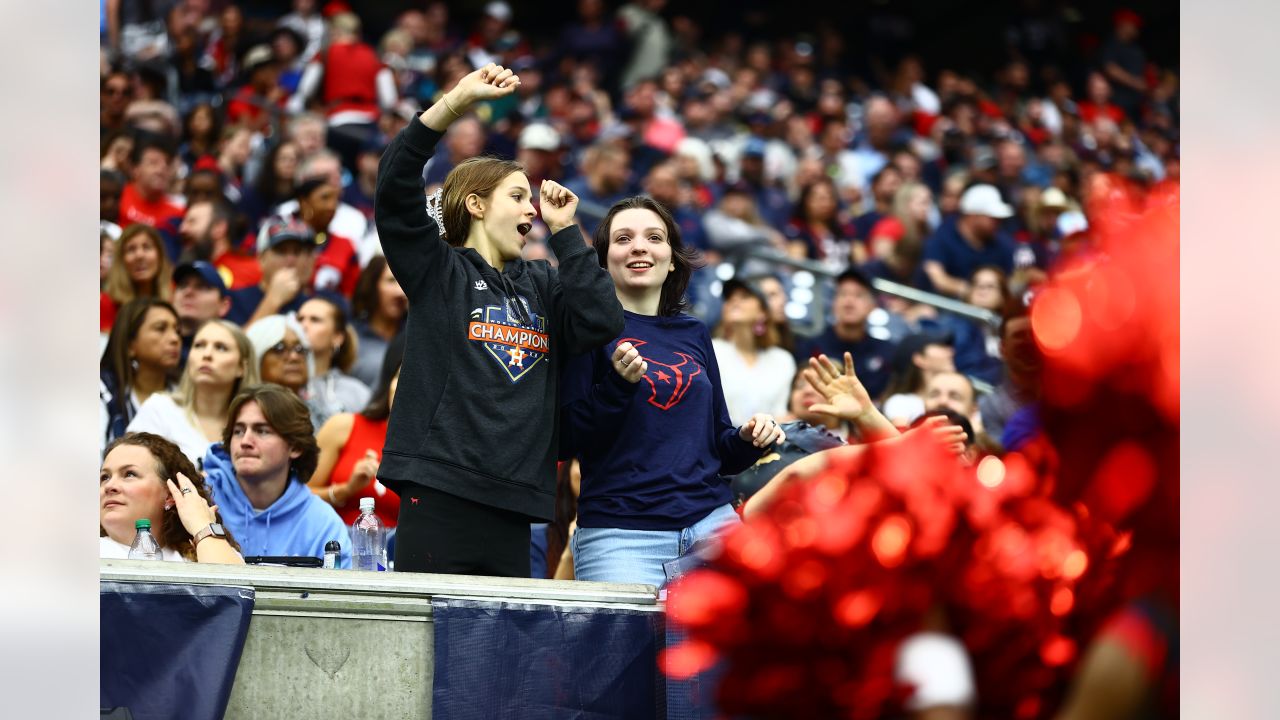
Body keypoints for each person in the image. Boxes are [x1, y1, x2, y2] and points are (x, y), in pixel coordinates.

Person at [373, 63, 624, 577]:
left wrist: (567, 233)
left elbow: (601, 320)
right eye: (517, 197)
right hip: (439, 490)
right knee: (428, 650)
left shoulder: (544, 282)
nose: (531, 209)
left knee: (492, 654)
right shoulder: (437, 269)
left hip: (515, 501)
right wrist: (453, 104)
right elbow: (395, 189)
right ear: (475, 204)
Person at [561, 196, 785, 588]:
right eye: (623, 238)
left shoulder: (694, 332)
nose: (639, 247)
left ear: (672, 257)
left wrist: (749, 439)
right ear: (603, 259)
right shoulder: (588, 331)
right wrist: (616, 386)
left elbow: (719, 448)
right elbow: (565, 439)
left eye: (654, 237)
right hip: (621, 536)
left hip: (711, 525)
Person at [202, 384, 351, 567]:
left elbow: (337, 595)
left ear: (295, 447)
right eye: (238, 431)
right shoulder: (200, 499)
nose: (245, 442)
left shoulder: (323, 523)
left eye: (262, 431)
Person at [127, 320, 259, 468]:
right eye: (199, 345)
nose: (207, 354)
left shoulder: (257, 422)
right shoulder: (160, 409)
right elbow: (129, 470)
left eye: (221, 348)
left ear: (241, 367)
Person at [100, 432, 244, 564]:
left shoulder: (200, 553)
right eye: (104, 477)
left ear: (170, 494)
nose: (109, 486)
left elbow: (237, 588)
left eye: (129, 474)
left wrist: (202, 525)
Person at [308, 332, 406, 526]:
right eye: (401, 376)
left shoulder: (436, 451)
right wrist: (346, 490)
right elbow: (298, 498)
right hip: (334, 549)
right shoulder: (343, 426)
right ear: (389, 381)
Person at [793, 267, 897, 400]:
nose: (849, 302)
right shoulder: (809, 347)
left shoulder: (886, 353)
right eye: (842, 294)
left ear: (872, 306)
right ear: (833, 303)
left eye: (858, 295)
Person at [712, 278, 797, 426]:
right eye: (730, 298)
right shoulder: (711, 350)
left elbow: (781, 415)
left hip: (767, 445)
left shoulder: (782, 360)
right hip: (718, 444)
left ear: (762, 313)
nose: (735, 301)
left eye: (745, 297)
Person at [101, 298, 182, 452]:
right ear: (130, 345)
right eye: (160, 328)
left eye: (177, 331)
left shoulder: (184, 395)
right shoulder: (103, 390)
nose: (175, 338)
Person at [922, 184, 1017, 298]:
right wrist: (976, 292)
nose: (998, 222)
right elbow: (938, 279)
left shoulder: (1001, 240)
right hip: (947, 308)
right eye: (992, 218)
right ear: (973, 216)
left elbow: (1013, 278)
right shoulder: (943, 236)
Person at [226, 215, 318, 326]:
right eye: (281, 251)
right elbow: (235, 343)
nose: (291, 260)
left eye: (297, 252)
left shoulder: (319, 304)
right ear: (261, 259)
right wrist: (273, 300)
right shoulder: (235, 300)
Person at [297, 296, 371, 428]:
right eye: (299, 319)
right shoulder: (280, 385)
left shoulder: (357, 392)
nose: (303, 326)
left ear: (337, 337)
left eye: (315, 320)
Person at [101, 224, 174, 332]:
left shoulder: (174, 297)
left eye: (147, 247)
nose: (139, 255)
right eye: (131, 249)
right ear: (121, 261)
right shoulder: (104, 304)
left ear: (160, 256)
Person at [348, 255, 407, 387]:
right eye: (391, 281)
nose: (400, 292)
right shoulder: (351, 336)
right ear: (372, 284)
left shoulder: (416, 336)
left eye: (404, 281)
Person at [880, 333, 957, 427]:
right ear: (919, 359)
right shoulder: (901, 402)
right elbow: (903, 435)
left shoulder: (953, 399)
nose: (951, 352)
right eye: (940, 346)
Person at [170, 261, 231, 364]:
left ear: (223, 306)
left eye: (202, 287)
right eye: (182, 285)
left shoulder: (231, 353)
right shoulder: (153, 346)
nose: (188, 291)